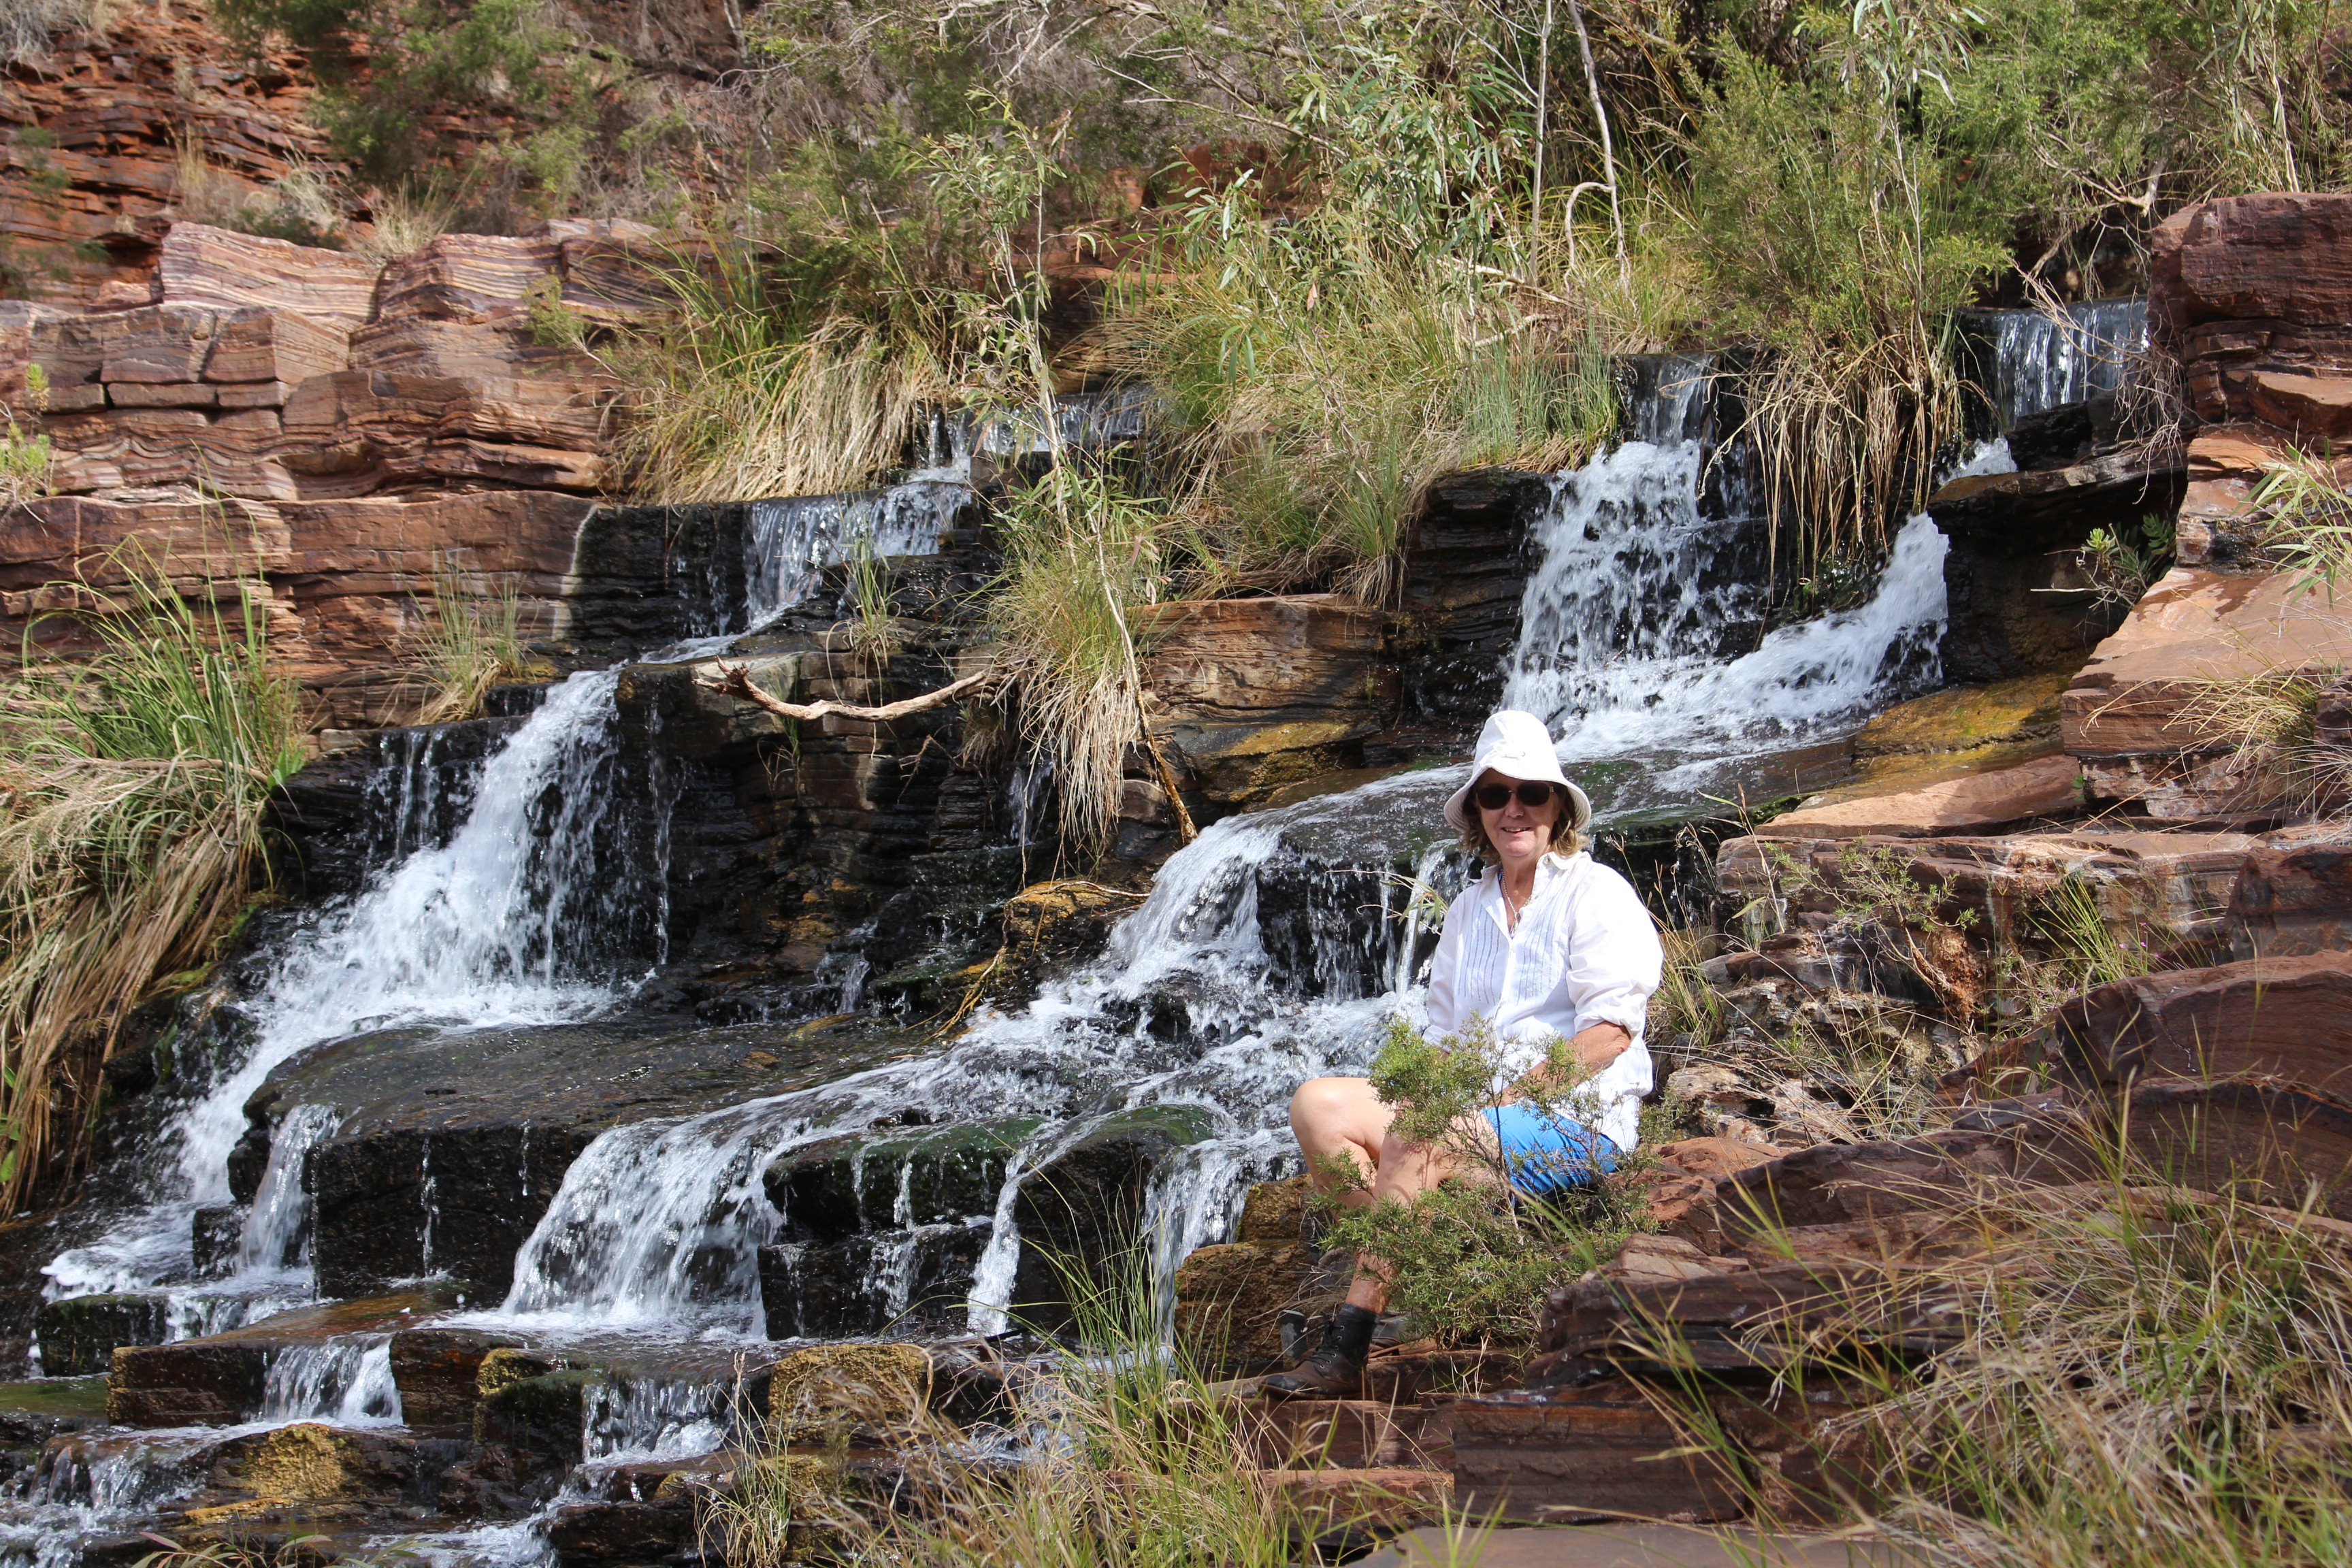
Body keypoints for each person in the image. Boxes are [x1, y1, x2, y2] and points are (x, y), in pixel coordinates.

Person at [1264, 709, 1663, 1398]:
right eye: (1494, 795)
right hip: (1475, 1123)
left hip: (1575, 1126)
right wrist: (1442, 1102)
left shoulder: (1598, 894)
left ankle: (1348, 1343)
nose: (1514, 810)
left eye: (1530, 793)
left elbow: (1611, 1033)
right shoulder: (1466, 913)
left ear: (1558, 807)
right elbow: (1447, 1043)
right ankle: (1413, 1287)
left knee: (1420, 1134)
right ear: (1478, 814)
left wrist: (1510, 1099)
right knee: (1318, 1106)